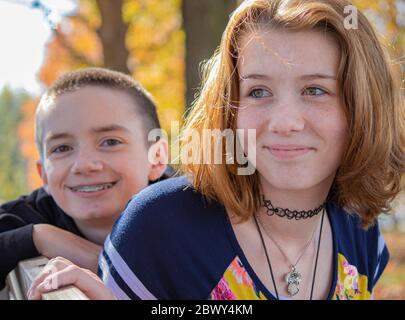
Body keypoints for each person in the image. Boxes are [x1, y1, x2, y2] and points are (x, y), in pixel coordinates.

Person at [29, 0, 404, 300]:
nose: (284, 122)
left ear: (362, 106)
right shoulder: (161, 227)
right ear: (230, 109)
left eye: (315, 90)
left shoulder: (361, 231)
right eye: (258, 91)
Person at [0, 68, 170, 290]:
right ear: (44, 175)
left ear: (157, 158)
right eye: (62, 148)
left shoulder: (201, 216)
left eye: (110, 142)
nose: (84, 165)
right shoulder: (33, 215)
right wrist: (39, 236)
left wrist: (109, 265)